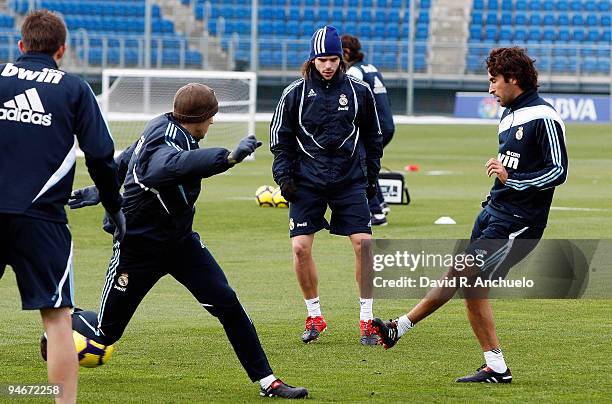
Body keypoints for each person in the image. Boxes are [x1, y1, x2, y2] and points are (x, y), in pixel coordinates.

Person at [67, 83, 308, 399]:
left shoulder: (165, 125)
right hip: (138, 249)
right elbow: (162, 168)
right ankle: (60, 328)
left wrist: (99, 190)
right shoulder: (166, 146)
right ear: (200, 117)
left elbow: (126, 159)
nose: (212, 123)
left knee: (228, 303)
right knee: (105, 336)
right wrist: (229, 158)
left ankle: (268, 381)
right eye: (211, 118)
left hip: (181, 244)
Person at [371, 47, 568, 383]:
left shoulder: (545, 117)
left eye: (494, 81)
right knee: (459, 276)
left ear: (513, 79)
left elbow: (558, 171)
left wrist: (512, 178)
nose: (490, 89)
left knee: (468, 281)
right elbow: (517, 162)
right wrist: (502, 177)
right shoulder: (508, 115)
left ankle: (496, 367)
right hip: (493, 212)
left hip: (519, 222)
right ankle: (398, 328)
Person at [0, 10, 125, 404]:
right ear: (62, 50)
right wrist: (113, 205)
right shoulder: (73, 88)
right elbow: (102, 156)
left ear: (20, 46)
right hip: (42, 220)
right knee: (57, 320)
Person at [270, 26, 383, 345]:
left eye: (333, 58)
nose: (328, 65)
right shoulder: (294, 93)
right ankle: (314, 315)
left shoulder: (360, 91)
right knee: (300, 247)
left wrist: (371, 174)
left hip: (349, 180)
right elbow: (281, 139)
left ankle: (366, 320)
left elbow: (374, 137)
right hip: (307, 181)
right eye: (322, 59)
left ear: (342, 59)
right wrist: (285, 177)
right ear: (312, 60)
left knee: (364, 245)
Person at [341, 34, 395, 226]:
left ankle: (376, 213)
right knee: (366, 162)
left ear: (346, 52)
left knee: (359, 165)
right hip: (386, 124)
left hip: (373, 127)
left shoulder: (355, 72)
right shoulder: (371, 67)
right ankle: (380, 201)